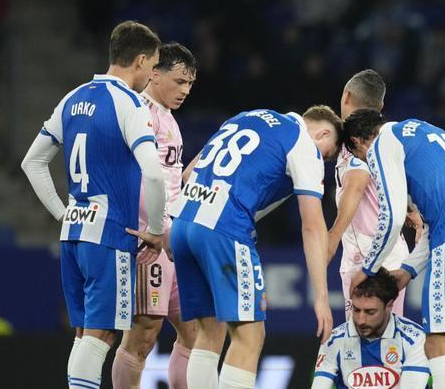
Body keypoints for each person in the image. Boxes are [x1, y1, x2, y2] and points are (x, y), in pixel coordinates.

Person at [19, 20, 165, 389]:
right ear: (142, 60)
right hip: (109, 235)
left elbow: (32, 162)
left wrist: (62, 212)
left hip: (74, 233)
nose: (152, 74)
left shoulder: (73, 97)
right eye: (153, 65)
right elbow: (154, 173)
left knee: (85, 334)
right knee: (100, 337)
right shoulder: (130, 104)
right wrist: (157, 231)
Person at [170, 106, 342, 389]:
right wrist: (322, 296)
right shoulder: (302, 143)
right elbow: (312, 226)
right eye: (326, 153)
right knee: (249, 337)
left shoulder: (245, 116)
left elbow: (189, 173)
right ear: (322, 132)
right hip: (223, 229)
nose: (321, 160)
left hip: (185, 222)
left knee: (209, 332)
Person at [349, 112, 445, 389]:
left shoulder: (383, 143)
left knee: (438, 343)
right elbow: (437, 218)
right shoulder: (424, 130)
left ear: (358, 142)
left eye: (361, 159)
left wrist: (368, 268)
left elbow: (393, 216)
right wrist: (407, 271)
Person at [112, 43, 200, 389]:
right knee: (143, 335)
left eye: (190, 84)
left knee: (194, 329)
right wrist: (155, 229)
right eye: (179, 81)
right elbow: (139, 178)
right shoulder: (140, 113)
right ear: (154, 73)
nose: (185, 90)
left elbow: (170, 180)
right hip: (150, 239)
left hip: (172, 240)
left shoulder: (167, 117)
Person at [329, 70, 417, 318]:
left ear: (346, 96)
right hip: (393, 253)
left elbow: (357, 182)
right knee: (390, 347)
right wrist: (410, 210)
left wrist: (333, 236)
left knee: (362, 347)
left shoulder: (353, 140)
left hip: (366, 256)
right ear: (380, 105)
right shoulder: (388, 138)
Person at [311, 271, 430, 389]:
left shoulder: (415, 339)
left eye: (370, 312)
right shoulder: (334, 340)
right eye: (356, 310)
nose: (361, 320)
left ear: (389, 306)